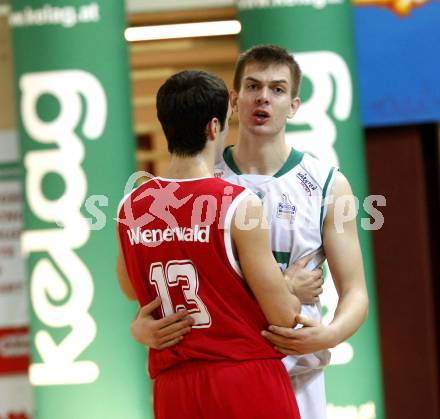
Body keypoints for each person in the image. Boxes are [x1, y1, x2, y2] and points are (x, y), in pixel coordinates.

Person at [131, 45, 369, 419]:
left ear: (293, 105)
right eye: (254, 86)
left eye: (277, 89)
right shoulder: (199, 179)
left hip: (297, 368)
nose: (263, 97)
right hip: (225, 368)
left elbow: (355, 292)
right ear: (234, 100)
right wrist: (140, 328)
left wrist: (331, 334)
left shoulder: (326, 183)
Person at [116, 69, 302, 419]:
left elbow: (130, 289)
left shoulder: (131, 206)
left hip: (175, 386)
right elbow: (284, 316)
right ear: (214, 127)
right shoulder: (236, 202)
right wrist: (290, 286)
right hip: (243, 377)